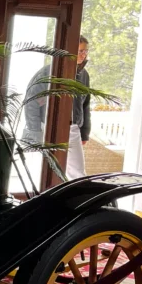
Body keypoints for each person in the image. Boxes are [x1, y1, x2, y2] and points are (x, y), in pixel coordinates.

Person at [66, 37, 91, 180]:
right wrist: (35, 130)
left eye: (86, 51)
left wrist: (85, 132)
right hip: (51, 130)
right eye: (80, 51)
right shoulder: (54, 70)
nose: (84, 54)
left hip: (73, 129)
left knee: (77, 174)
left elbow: (86, 104)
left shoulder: (84, 75)